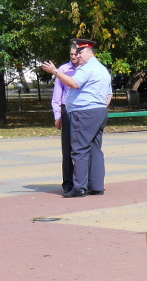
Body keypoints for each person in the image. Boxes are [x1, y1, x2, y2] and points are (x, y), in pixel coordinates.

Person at [41, 38, 112, 198]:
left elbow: (73, 83)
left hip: (84, 112)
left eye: (80, 53)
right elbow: (109, 94)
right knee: (95, 149)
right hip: (99, 111)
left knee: (79, 149)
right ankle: (96, 186)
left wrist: (55, 72)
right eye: (76, 53)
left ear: (89, 52)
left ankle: (79, 187)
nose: (77, 56)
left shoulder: (86, 68)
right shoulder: (102, 69)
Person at [51, 44, 79, 194]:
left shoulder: (86, 69)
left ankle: (83, 181)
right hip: (67, 110)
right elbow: (57, 95)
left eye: (76, 54)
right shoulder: (63, 70)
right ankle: (68, 183)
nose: (73, 57)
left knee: (82, 147)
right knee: (67, 148)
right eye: (71, 54)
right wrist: (57, 115)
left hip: (82, 110)